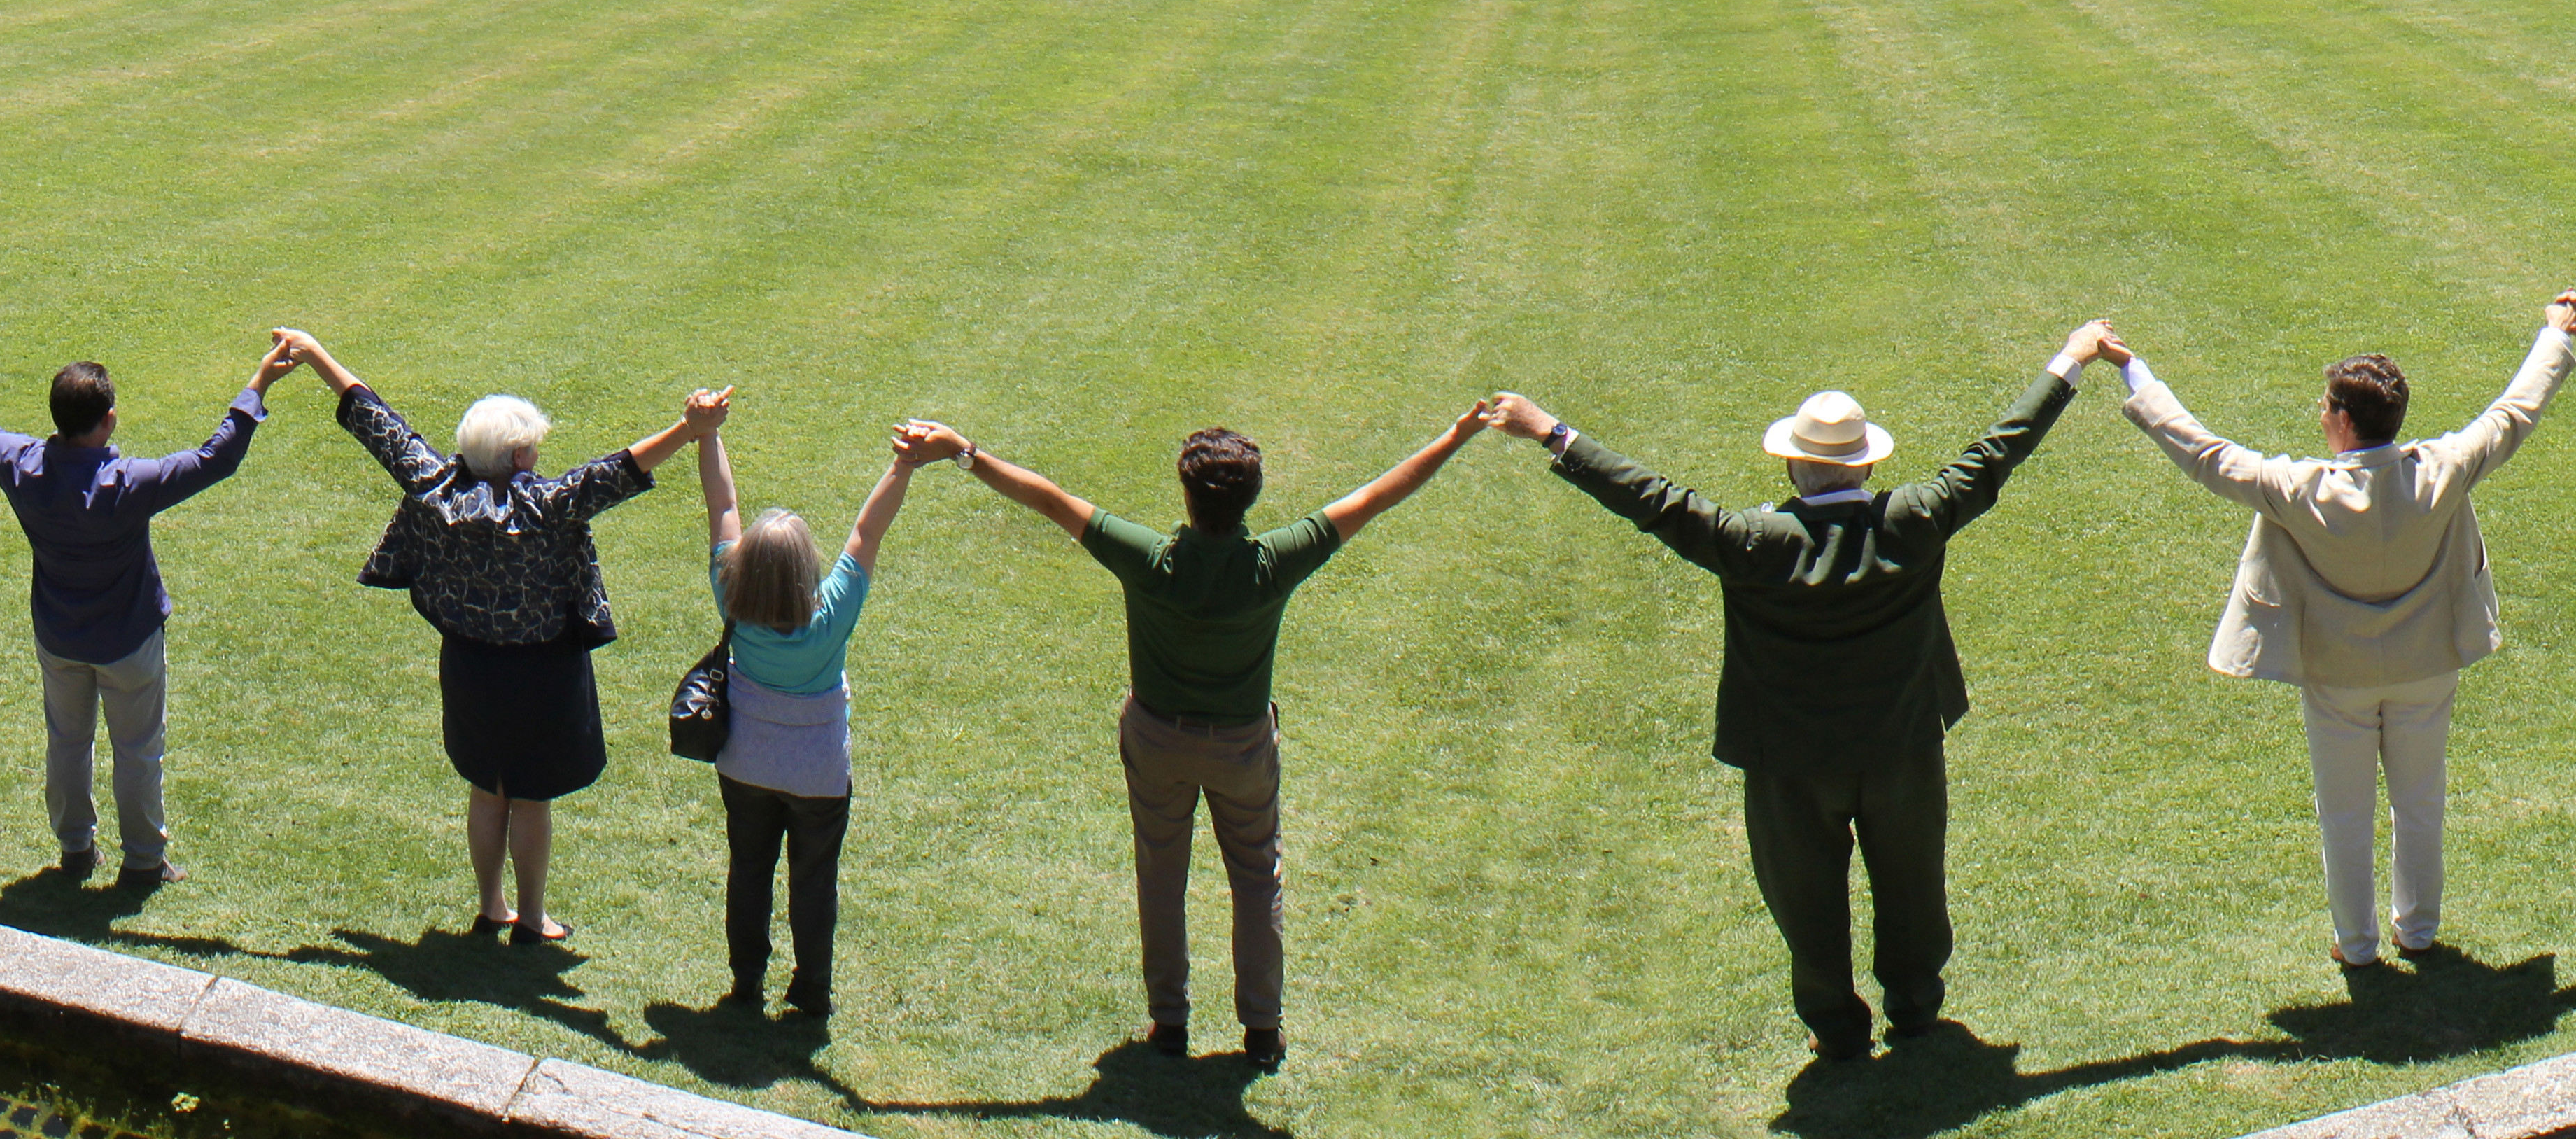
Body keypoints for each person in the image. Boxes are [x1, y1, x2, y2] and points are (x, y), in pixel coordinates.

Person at [1487, 331, 2081, 1056]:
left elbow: (1651, 499)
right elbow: (1999, 448)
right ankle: (1916, 1008)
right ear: (1866, 463)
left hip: (1789, 764)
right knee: (1914, 885)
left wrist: (1551, 432)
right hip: (1901, 749)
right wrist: (2070, 359)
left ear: (1794, 464)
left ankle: (1835, 1028)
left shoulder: (1752, 541)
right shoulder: (1915, 519)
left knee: (1804, 899)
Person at [945, 403, 1497, 1063]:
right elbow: (1379, 495)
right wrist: (1457, 435)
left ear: (1187, 494)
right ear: (1249, 499)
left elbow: (1047, 498)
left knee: (1161, 877)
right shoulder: (1274, 561)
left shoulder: (1147, 558)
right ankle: (1261, 1030)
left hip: (1157, 743)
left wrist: (963, 452)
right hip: (1243, 749)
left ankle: (1169, 1023)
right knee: (1257, 878)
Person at [2111, 299, 2575, 956]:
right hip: (2425, 668)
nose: (2319, 414)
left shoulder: (2298, 488)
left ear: (2345, 420)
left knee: (2345, 815)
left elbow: (2204, 453)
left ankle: (2356, 944)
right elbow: (2513, 412)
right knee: (2421, 805)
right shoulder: (2442, 469)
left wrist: (2132, 368)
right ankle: (2418, 932)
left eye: (2326, 406)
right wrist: (2554, 335)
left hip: (2337, 677)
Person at [281, 328, 698, 942]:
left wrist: (315, 353)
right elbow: (621, 470)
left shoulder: (432, 485)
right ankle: (531, 917)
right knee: (530, 798)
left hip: (469, 665)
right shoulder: (549, 505)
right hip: (544, 673)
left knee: (487, 789)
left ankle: (491, 906)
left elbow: (373, 420)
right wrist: (690, 428)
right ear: (520, 456)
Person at [0, 326, 288, 884]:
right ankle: (143, 861)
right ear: (108, 419)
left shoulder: (20, 464)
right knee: (137, 750)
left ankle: (75, 850)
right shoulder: (130, 482)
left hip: (59, 638)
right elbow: (217, 458)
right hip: (129, 642)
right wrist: (259, 382)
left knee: (67, 743)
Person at [705, 417, 949, 1019]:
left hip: (744, 764)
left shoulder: (729, 592)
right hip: (818, 775)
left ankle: (746, 981)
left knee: (748, 870)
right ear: (805, 569)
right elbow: (867, 530)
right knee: (814, 880)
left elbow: (724, 504)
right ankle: (812, 989)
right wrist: (904, 464)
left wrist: (707, 434)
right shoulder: (833, 610)